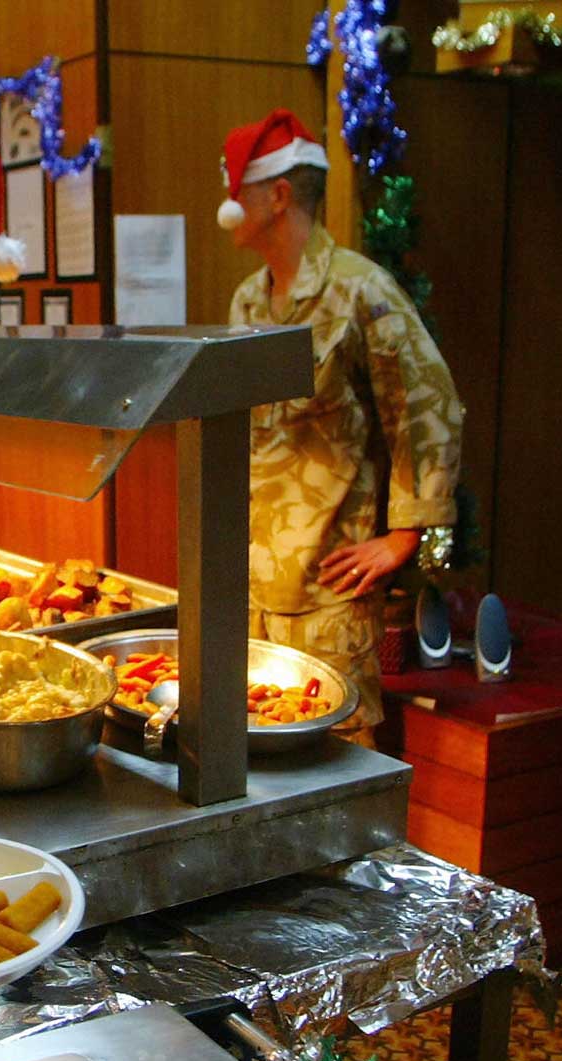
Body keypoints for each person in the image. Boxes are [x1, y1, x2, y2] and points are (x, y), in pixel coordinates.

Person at [222, 110, 463, 746]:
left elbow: (426, 402)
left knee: (334, 757)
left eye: (236, 189)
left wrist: (405, 534)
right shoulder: (248, 298)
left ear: (277, 196)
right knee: (254, 748)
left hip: (328, 582)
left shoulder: (360, 290)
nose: (225, 205)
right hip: (253, 581)